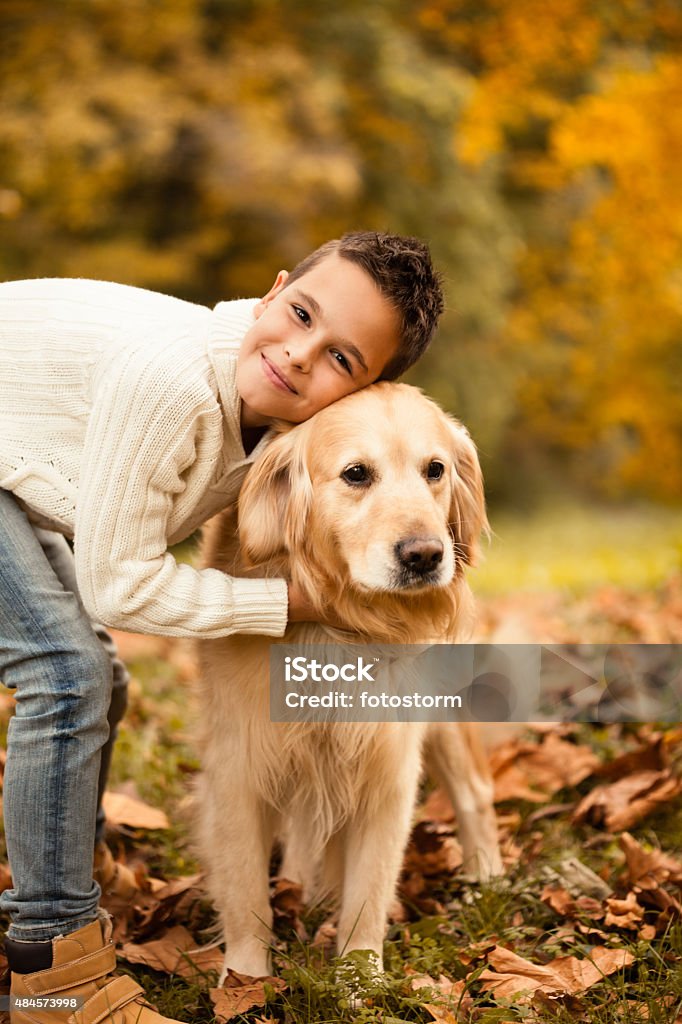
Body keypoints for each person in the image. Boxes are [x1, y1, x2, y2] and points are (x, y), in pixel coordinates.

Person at [0, 231, 444, 1023]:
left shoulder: (278, 420)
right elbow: (118, 588)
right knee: (65, 674)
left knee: (93, 677)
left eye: (342, 359)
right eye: (301, 313)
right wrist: (290, 606)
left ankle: (60, 866)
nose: (302, 355)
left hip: (15, 460)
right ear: (273, 291)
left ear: (360, 392)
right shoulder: (171, 386)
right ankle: (53, 970)